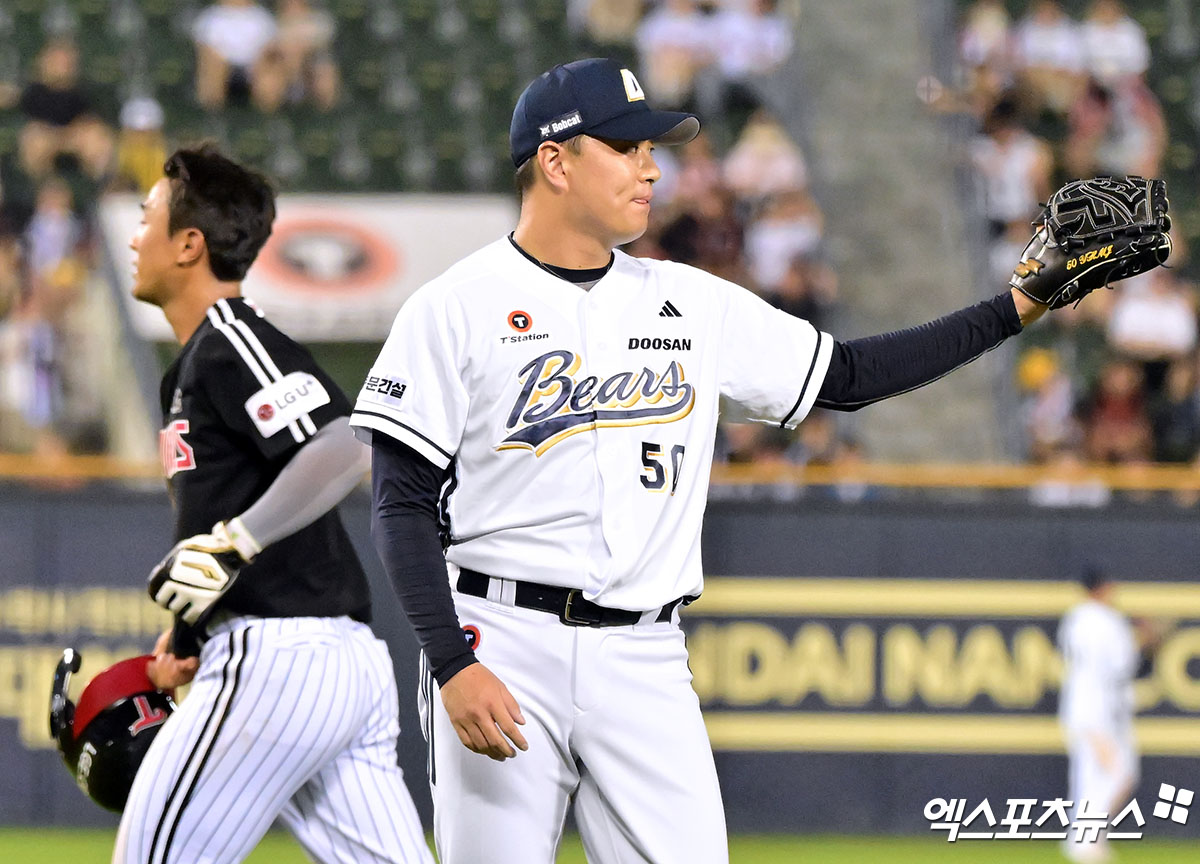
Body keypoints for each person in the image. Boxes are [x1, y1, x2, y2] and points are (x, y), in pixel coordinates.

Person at [352, 58, 1078, 864]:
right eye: (626, 147)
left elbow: (849, 376)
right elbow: (401, 505)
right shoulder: (454, 307)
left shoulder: (691, 301)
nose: (652, 166)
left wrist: (1019, 303)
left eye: (652, 148)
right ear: (555, 161)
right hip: (502, 640)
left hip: (646, 654)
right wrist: (451, 661)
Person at [116, 145, 432, 864]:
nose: (136, 237)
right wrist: (188, 640)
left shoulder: (231, 337)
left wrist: (236, 544)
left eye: (147, 218)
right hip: (334, 663)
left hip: (283, 659)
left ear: (189, 243)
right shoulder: (193, 365)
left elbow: (347, 443)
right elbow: (223, 513)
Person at [1058, 567, 1139, 864]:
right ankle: (1085, 842)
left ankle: (1084, 841)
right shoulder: (1107, 620)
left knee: (1088, 778)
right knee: (1117, 774)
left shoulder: (1076, 618)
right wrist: (1145, 640)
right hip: (1100, 709)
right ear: (1103, 587)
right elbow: (1122, 666)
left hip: (1078, 706)